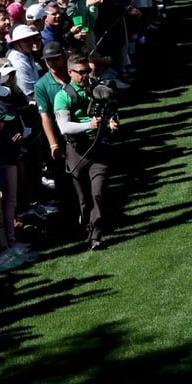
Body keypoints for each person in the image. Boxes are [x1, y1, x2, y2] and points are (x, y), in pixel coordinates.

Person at [55, 53, 118, 250]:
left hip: (98, 148)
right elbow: (64, 127)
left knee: (97, 193)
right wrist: (89, 125)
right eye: (81, 72)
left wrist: (112, 122)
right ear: (70, 72)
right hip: (76, 151)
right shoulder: (62, 96)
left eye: (87, 71)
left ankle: (96, 237)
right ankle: (88, 228)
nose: (85, 76)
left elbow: (111, 109)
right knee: (83, 199)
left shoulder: (97, 89)